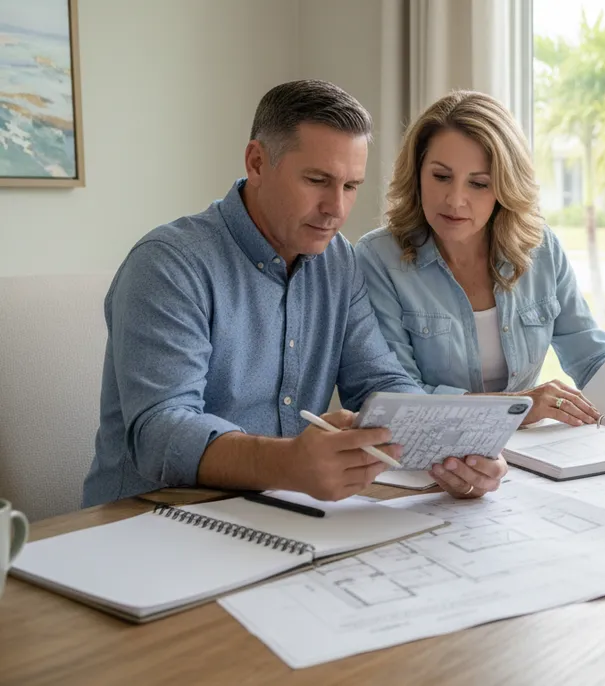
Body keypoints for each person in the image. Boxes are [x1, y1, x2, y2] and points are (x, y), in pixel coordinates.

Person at [82, 79, 506, 508]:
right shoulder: (168, 265)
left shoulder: (338, 260)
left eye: (351, 186)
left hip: (277, 513)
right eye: (317, 180)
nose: (336, 209)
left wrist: (456, 447)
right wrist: (288, 463)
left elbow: (380, 382)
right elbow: (160, 433)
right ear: (257, 162)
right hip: (145, 526)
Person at [355, 90, 605, 427]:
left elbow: (592, 360)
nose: (455, 200)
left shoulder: (540, 248)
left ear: (504, 189)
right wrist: (517, 406)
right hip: (429, 459)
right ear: (417, 172)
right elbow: (398, 397)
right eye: (441, 176)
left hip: (526, 461)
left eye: (479, 184)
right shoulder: (378, 259)